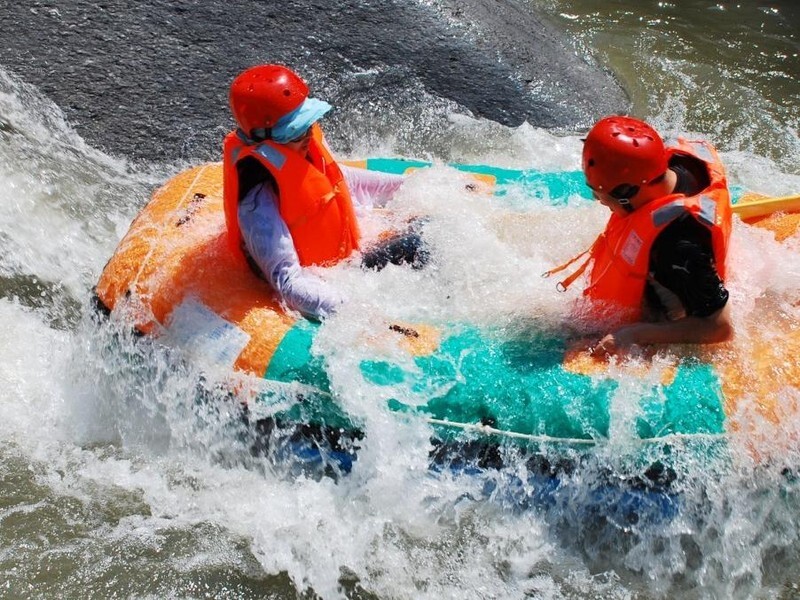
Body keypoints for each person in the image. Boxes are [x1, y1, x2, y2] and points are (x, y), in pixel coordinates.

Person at [222, 64, 426, 321]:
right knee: (419, 245)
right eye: (296, 131)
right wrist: (359, 314)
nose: (308, 134)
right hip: (327, 276)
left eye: (308, 124)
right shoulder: (257, 203)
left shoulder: (301, 147)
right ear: (264, 140)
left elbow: (343, 180)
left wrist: (417, 184)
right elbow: (288, 282)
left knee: (427, 229)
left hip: (347, 255)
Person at [549, 115, 734, 357]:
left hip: (673, 304)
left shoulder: (676, 245)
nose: (596, 198)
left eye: (598, 192)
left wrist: (634, 334)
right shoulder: (679, 164)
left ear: (627, 192)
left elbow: (719, 327)